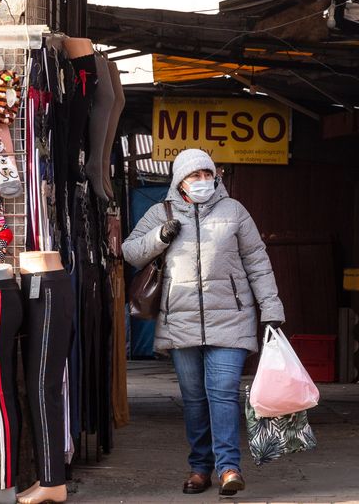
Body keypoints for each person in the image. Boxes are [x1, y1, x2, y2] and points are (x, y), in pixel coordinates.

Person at [122, 149, 285, 497]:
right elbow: (131, 252)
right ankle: (200, 467)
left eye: (207, 174)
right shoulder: (158, 213)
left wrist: (271, 308)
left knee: (223, 393)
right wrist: (160, 237)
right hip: (180, 321)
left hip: (231, 319)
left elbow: (258, 261)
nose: (202, 181)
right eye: (194, 176)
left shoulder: (234, 211)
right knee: (194, 398)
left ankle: (228, 468)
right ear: (180, 180)